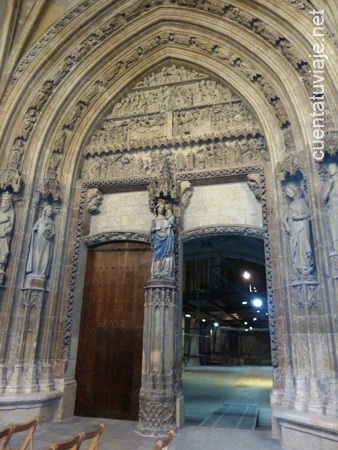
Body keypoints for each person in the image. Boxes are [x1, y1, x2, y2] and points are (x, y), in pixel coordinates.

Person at [283, 184, 314, 278]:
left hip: (302, 226)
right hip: (293, 228)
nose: (288, 194)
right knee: (295, 247)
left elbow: (309, 213)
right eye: (287, 193)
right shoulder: (291, 204)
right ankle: (298, 265)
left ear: (294, 191)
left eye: (289, 192)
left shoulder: (302, 201)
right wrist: (287, 226)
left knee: (303, 245)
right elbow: (284, 218)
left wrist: (299, 217)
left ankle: (305, 265)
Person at [26, 205, 55, 280]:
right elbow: (34, 228)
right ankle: (35, 271)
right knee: (37, 255)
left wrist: (48, 232)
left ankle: (42, 272)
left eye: (51, 211)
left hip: (47, 241)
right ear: (45, 212)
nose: (50, 212)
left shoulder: (51, 222)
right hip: (39, 239)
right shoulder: (40, 220)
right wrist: (38, 229)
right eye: (49, 211)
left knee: (45, 255)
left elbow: (53, 233)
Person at [150, 200, 175, 279]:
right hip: (157, 239)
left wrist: (169, 225)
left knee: (167, 254)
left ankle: (165, 273)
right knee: (157, 255)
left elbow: (172, 226)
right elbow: (151, 230)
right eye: (159, 207)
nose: (161, 209)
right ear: (157, 209)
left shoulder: (166, 218)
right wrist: (155, 228)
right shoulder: (154, 219)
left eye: (162, 208)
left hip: (166, 238)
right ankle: (156, 272)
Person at [323, 163, 338, 253]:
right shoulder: (329, 182)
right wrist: (329, 184)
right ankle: (336, 248)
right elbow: (323, 197)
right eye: (329, 168)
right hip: (332, 206)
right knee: (333, 228)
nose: (330, 170)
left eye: (332, 168)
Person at [0, 192, 15, 276]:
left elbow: (11, 226)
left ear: (10, 203)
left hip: (4, 236)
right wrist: (3, 220)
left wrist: (6, 232)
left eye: (7, 201)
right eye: (4, 201)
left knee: (2, 251)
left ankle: (1, 267)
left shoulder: (11, 212)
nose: (5, 203)